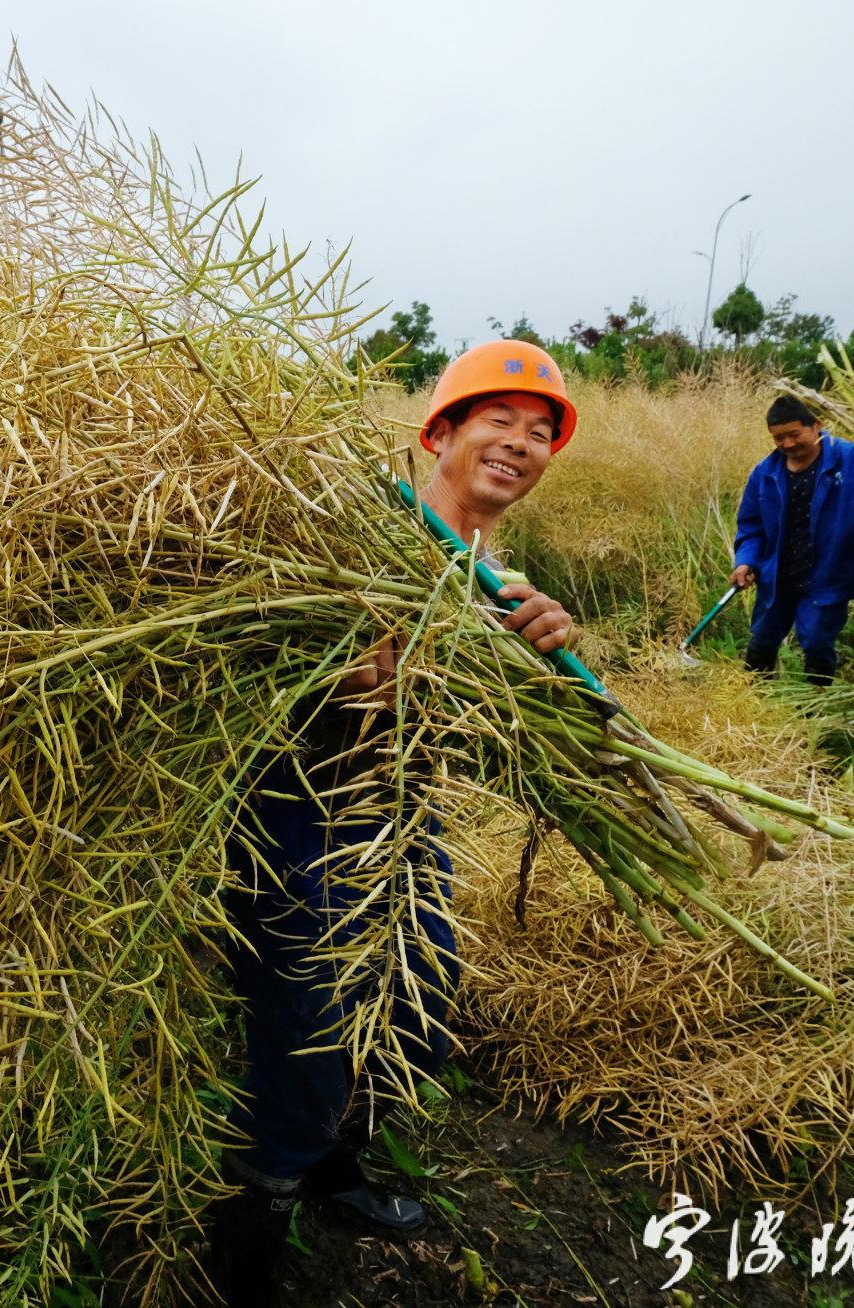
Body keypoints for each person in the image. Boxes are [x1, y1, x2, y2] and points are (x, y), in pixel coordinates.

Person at [205, 340, 580, 1306]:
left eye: (541, 434)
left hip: (403, 815)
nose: (521, 444)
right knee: (310, 1023)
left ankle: (339, 1164)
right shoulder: (362, 539)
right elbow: (274, 682)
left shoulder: (495, 575)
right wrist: (353, 678)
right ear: (442, 432)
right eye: (499, 420)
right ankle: (257, 1223)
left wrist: (538, 654)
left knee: (416, 999)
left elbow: (490, 733)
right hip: (306, 809)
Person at [730, 395, 854, 687]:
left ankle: (814, 705)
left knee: (817, 643)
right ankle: (753, 698)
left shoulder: (853, 459)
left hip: (827, 576)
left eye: (794, 434)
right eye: (779, 438)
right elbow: (751, 526)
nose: (787, 444)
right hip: (777, 577)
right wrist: (745, 561)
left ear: (816, 426)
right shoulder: (765, 474)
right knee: (763, 637)